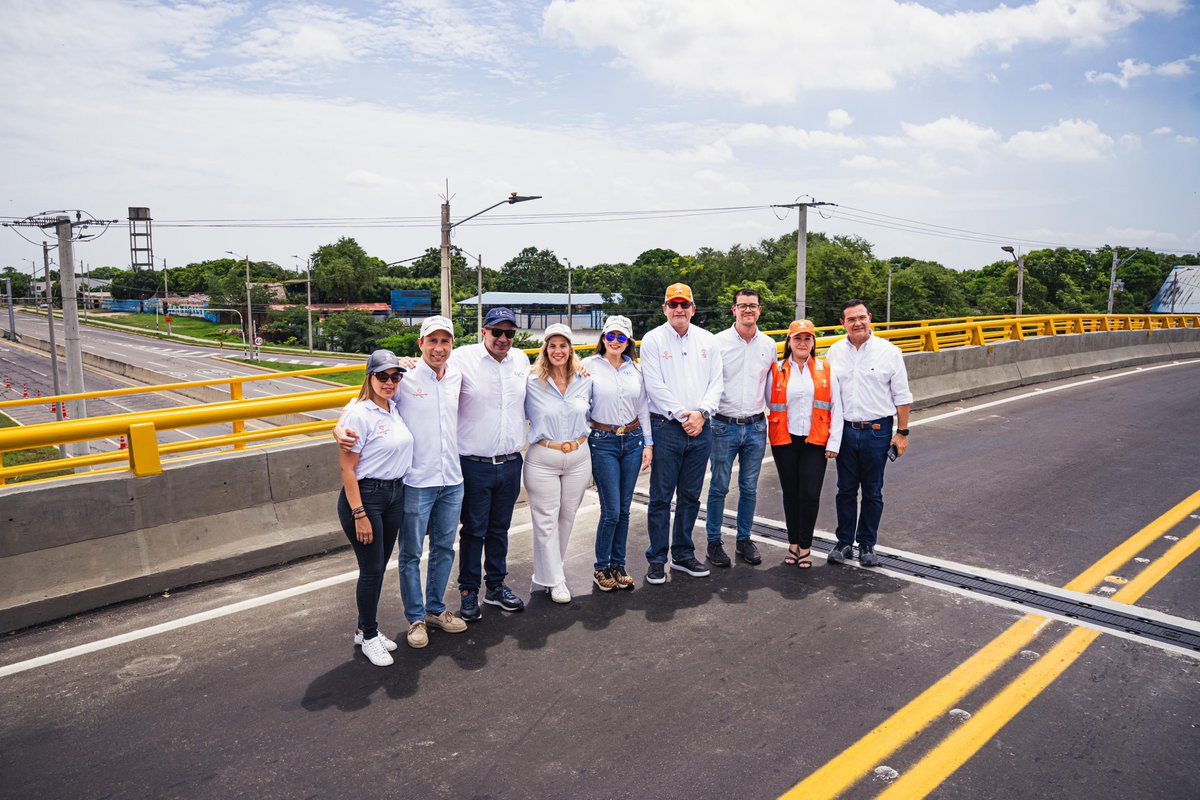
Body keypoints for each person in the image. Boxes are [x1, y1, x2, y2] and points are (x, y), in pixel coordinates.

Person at [449, 307, 531, 619]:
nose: (503, 338)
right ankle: (469, 591)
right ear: (484, 331)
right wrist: (409, 364)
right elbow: (431, 376)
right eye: (497, 332)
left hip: (510, 462)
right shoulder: (462, 358)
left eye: (509, 333)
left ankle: (496, 586)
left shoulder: (520, 360)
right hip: (474, 463)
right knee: (473, 530)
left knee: (500, 529)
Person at [640, 282, 724, 584]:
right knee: (661, 497)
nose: (679, 309)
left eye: (684, 305)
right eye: (673, 305)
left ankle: (683, 554)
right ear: (664, 308)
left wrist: (701, 413)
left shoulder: (708, 340)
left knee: (690, 496)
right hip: (667, 428)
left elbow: (717, 382)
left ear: (693, 309)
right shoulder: (652, 340)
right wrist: (683, 415)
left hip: (701, 427)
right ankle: (657, 559)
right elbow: (654, 385)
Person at [395, 315, 469, 648]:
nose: (439, 348)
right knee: (411, 553)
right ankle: (415, 618)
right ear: (420, 344)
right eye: (432, 341)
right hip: (417, 480)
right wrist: (343, 426)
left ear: (452, 344)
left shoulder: (456, 375)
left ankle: (435, 610)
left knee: (444, 547)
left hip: (452, 478)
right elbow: (368, 399)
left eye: (445, 341)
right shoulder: (403, 377)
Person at [336, 350, 413, 667]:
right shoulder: (359, 414)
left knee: (379, 567)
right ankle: (369, 636)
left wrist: (410, 362)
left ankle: (363, 628)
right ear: (369, 377)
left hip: (394, 493)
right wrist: (359, 514)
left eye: (395, 376)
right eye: (382, 376)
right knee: (370, 570)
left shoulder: (393, 408)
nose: (389, 382)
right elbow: (347, 469)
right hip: (366, 497)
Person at [823, 299, 912, 567]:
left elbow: (902, 396)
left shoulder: (889, 352)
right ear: (842, 323)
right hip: (846, 430)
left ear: (870, 318)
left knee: (873, 491)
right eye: (851, 319)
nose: (857, 323)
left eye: (861, 317)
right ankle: (844, 542)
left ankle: (867, 544)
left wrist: (902, 432)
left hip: (877, 431)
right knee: (845, 490)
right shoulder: (834, 352)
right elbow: (828, 394)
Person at [705, 287, 777, 568]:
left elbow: (772, 385)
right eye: (743, 305)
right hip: (723, 425)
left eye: (753, 305)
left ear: (760, 310)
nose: (748, 310)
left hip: (757, 426)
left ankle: (744, 539)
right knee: (719, 486)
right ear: (733, 309)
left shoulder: (768, 345)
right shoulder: (717, 343)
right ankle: (713, 541)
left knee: (749, 487)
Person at [523, 323, 593, 604]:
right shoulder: (530, 382)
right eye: (552, 346)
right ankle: (556, 580)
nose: (557, 351)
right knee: (546, 521)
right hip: (543, 458)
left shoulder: (585, 379)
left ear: (571, 349)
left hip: (578, 456)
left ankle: (547, 573)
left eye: (563, 345)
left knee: (567, 517)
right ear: (545, 350)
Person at [766, 320, 843, 568]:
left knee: (810, 494)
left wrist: (834, 441)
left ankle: (806, 546)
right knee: (791, 493)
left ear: (813, 342)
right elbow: (767, 400)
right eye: (797, 338)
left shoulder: (825, 369)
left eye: (807, 338)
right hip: (784, 440)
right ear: (788, 342)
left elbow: (836, 406)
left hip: (815, 440)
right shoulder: (776, 369)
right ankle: (793, 543)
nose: (802, 343)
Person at [583, 315, 652, 591]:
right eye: (610, 335)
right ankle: (601, 567)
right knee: (611, 510)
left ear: (628, 341)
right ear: (603, 338)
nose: (615, 341)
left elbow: (643, 407)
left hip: (633, 440)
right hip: (603, 442)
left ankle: (618, 564)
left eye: (621, 336)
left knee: (624, 509)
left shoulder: (636, 369)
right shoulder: (588, 366)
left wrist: (648, 444)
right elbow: (580, 403)